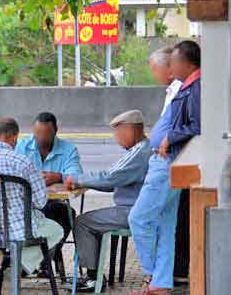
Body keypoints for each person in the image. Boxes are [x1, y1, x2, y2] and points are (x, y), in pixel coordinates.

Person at [128, 40, 201, 295]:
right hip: (168, 160)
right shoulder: (178, 89)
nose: (157, 72)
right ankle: (161, 283)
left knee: (138, 218)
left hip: (168, 162)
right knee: (166, 225)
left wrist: (169, 138)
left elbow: (196, 125)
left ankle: (151, 272)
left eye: (169, 65)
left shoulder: (190, 88)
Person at [64, 110, 151, 292]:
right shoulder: (139, 150)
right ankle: (93, 273)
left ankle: (93, 278)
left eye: (117, 133)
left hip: (132, 210)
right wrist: (86, 181)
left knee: (83, 222)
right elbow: (112, 180)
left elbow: (110, 178)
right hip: (134, 208)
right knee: (89, 219)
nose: (116, 138)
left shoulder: (140, 153)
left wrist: (78, 179)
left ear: (129, 130)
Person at [0, 118, 64, 274]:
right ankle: (15, 263)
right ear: (15, 138)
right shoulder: (22, 161)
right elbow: (40, 201)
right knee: (56, 230)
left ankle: (7, 262)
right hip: (20, 230)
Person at [15, 112, 82, 274]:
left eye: (46, 134)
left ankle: (44, 261)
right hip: (25, 203)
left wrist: (58, 176)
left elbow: (77, 175)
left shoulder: (68, 149)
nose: (41, 138)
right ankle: (33, 262)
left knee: (66, 214)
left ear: (55, 131)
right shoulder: (23, 146)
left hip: (52, 202)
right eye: (37, 134)